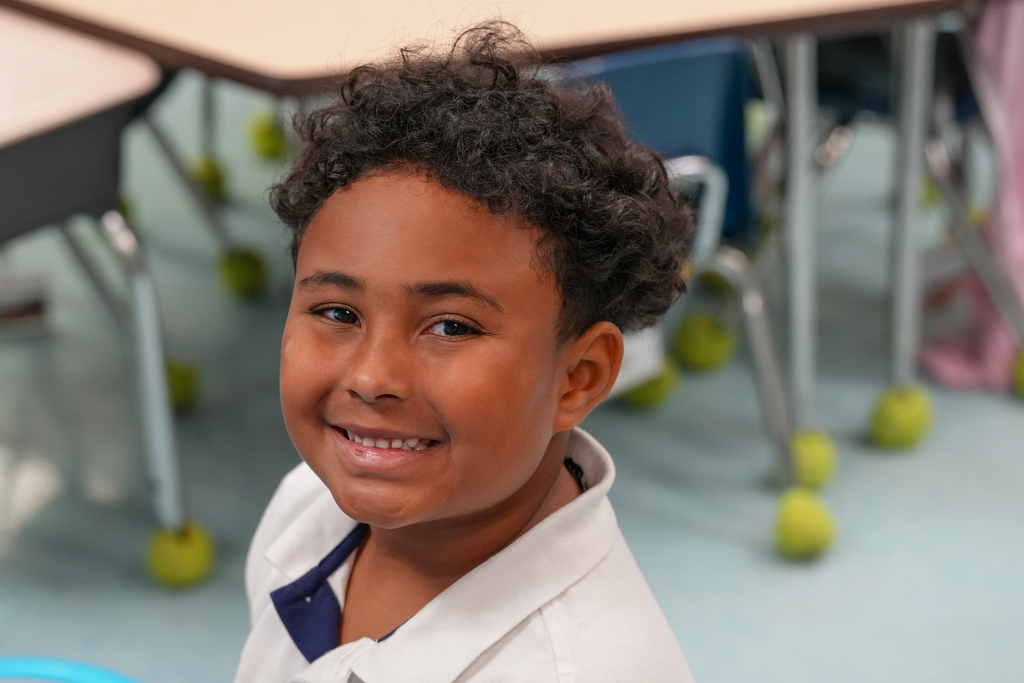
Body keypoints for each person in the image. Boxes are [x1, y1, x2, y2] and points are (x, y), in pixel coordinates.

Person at [235, 22, 694, 683]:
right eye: (338, 312)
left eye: (450, 327)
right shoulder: (308, 504)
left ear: (579, 376)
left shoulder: (587, 667)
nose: (372, 376)